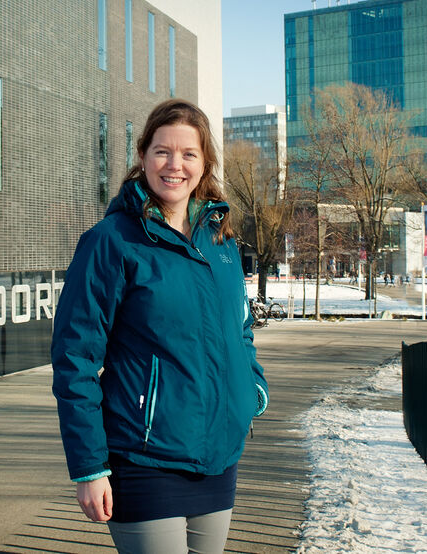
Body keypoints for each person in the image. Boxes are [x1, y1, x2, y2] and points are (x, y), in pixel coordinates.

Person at [52, 99, 268, 554]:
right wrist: (89, 467)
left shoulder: (221, 240)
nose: (175, 165)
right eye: (162, 152)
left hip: (219, 457)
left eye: (188, 154)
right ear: (143, 156)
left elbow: (240, 328)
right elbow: (75, 358)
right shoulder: (111, 241)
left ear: (204, 162)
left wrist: (251, 388)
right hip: (144, 458)